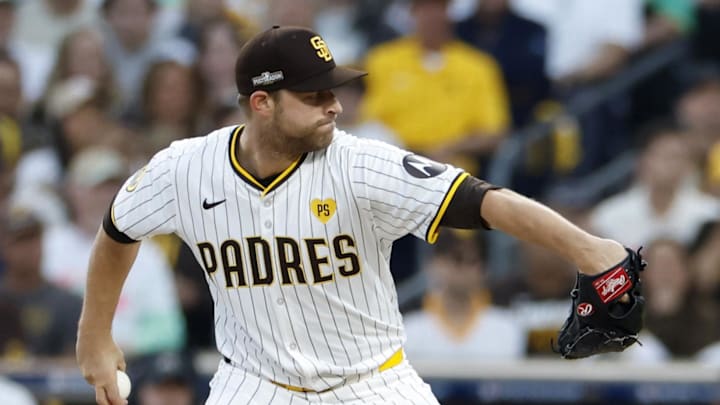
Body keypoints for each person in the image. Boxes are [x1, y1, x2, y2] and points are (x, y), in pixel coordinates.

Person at [76, 25, 634, 405]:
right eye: (315, 95)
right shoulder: (185, 169)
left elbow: (483, 200)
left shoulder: (361, 163)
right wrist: (94, 335)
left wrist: (592, 250)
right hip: (254, 383)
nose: (334, 105)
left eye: (334, 90)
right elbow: (117, 231)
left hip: (371, 382)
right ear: (261, 103)